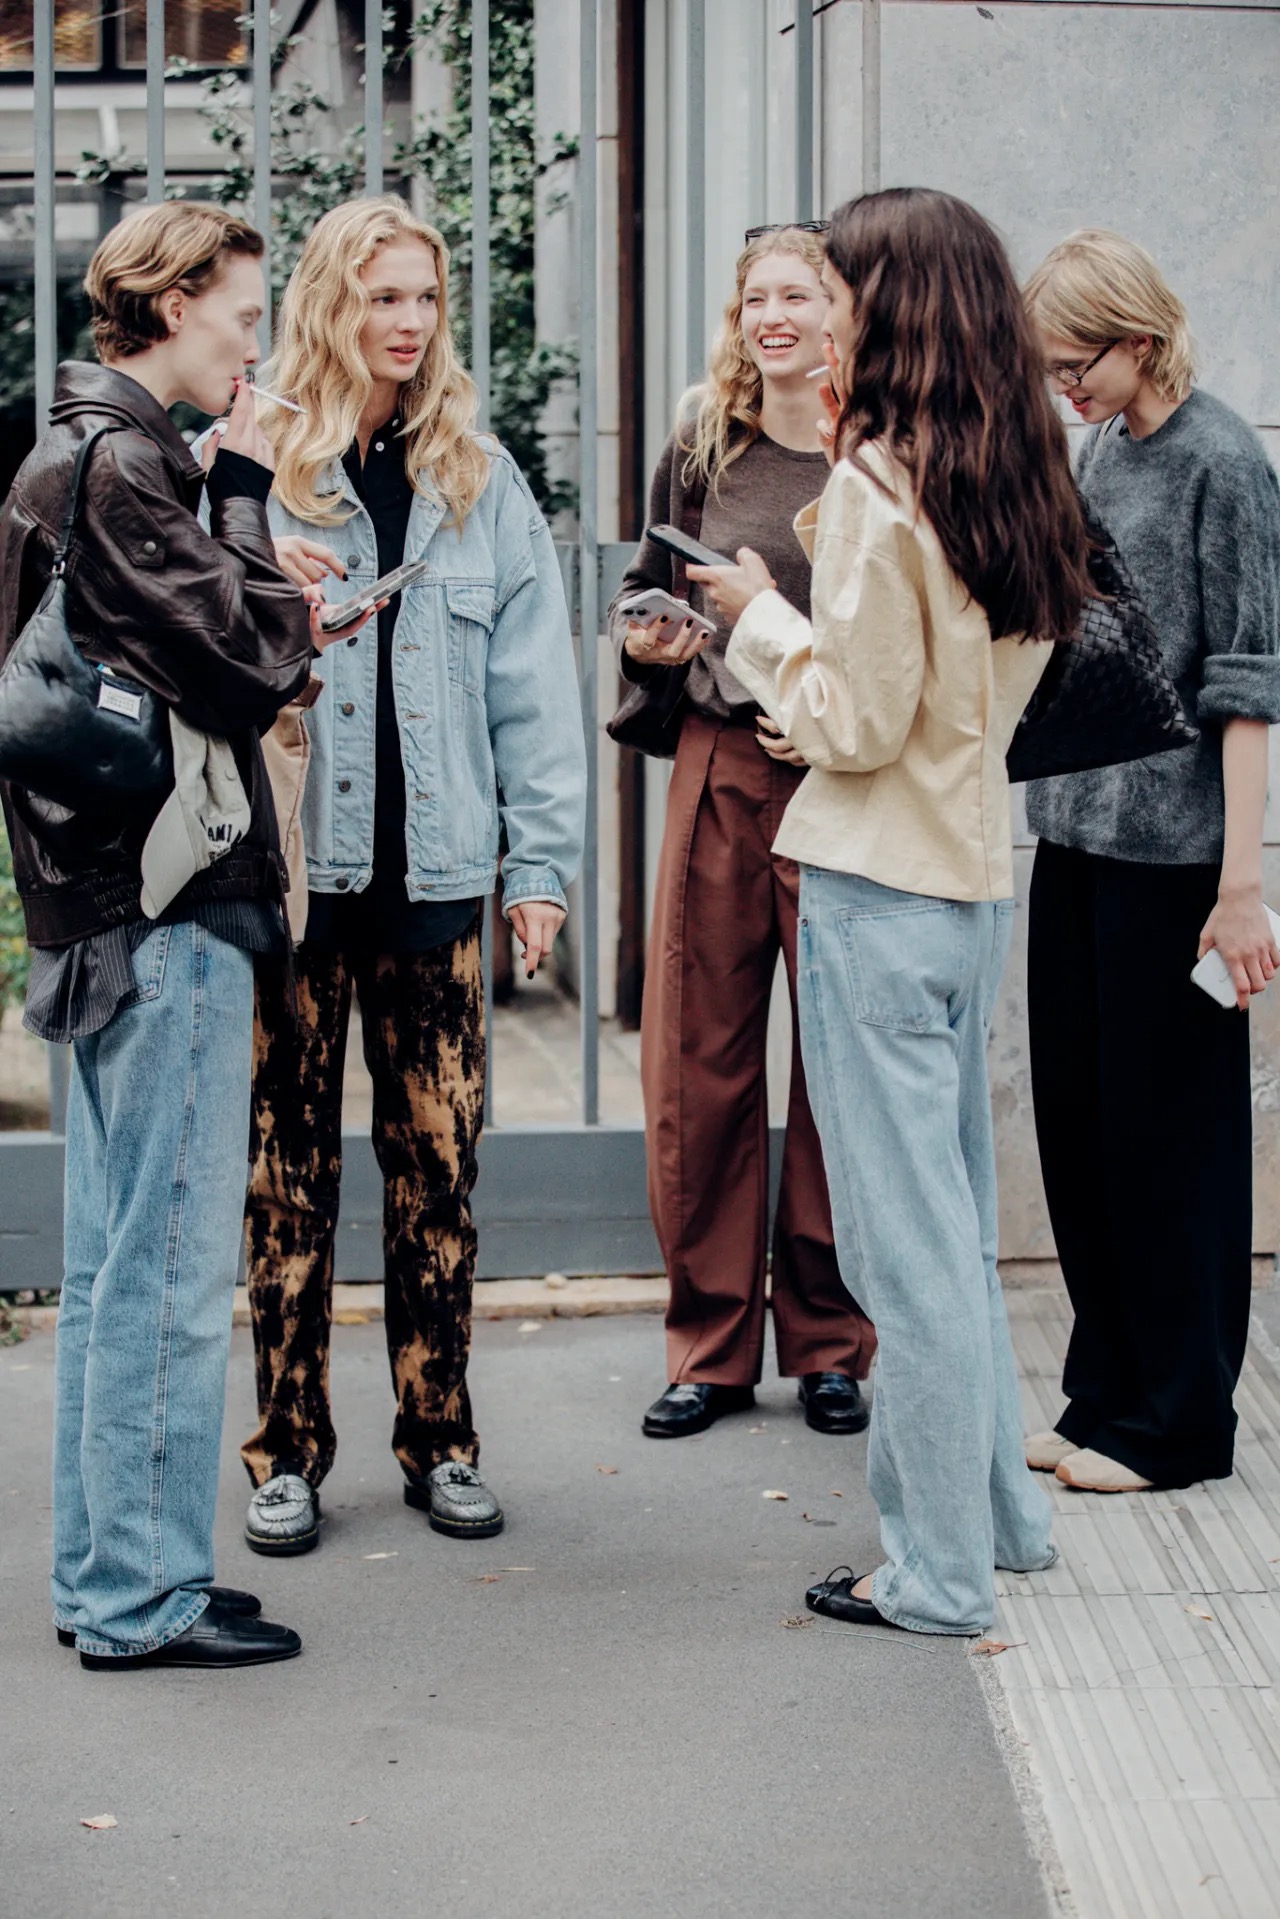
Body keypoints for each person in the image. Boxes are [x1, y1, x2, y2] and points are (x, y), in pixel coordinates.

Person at [697, 188, 1089, 1635]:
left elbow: (851, 723)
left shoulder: (878, 483)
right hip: (972, 883)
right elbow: (961, 691)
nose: (829, 316)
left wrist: (754, 618)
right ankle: (1000, 1522)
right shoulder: (1020, 469)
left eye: (845, 288)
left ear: (893, 306)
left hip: (875, 892)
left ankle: (934, 1573)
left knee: (899, 1258)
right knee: (953, 1234)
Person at [0, 203, 362, 1669]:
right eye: (241, 315)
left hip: (104, 907)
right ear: (166, 303)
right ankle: (139, 1599)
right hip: (169, 903)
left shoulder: (86, 458)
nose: (255, 345)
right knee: (158, 1272)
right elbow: (253, 654)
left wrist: (236, 534)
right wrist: (250, 498)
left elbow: (194, 643)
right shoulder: (125, 464)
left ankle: (110, 1574)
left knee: (113, 1269)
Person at [225, 197, 586, 1555]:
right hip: (296, 890)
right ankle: (286, 1450)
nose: (409, 323)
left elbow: (532, 692)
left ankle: (442, 1438)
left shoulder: (475, 478)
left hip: (437, 885)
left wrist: (536, 865)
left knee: (439, 1169)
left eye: (425, 298)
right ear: (330, 302)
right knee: (288, 1175)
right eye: (382, 296)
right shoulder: (255, 466)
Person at [1022, 231, 1280, 1494]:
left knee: (1170, 1147)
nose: (1062, 386)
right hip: (1072, 836)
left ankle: (1178, 1424)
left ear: (1138, 337)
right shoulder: (1101, 446)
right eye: (1050, 367)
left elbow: (1248, 684)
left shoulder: (1222, 461)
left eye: (1077, 362)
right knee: (1080, 1131)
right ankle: (1104, 1394)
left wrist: (1239, 883)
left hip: (1174, 863)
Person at [609, 226, 877, 1442]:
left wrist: (829, 714)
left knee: (839, 1068)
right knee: (698, 1059)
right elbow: (646, 595)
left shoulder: (877, 451)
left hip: (842, 787)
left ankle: (827, 1340)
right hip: (721, 769)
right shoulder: (700, 445)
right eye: (754, 294)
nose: (772, 314)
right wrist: (649, 642)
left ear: (838, 313)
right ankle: (708, 1345)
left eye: (797, 294)